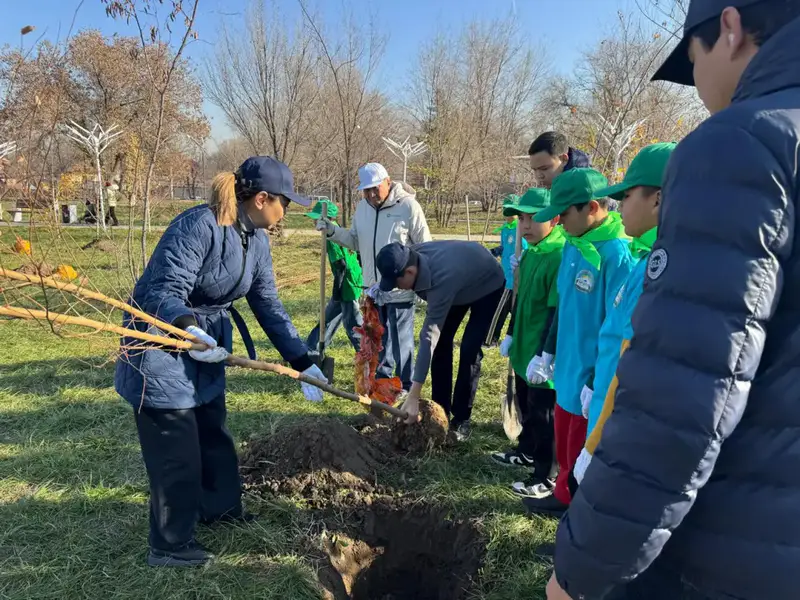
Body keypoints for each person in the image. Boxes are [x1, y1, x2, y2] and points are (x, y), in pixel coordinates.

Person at [548, 1, 800, 599]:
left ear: (731, 29)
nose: (701, 90)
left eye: (693, 59)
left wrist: (582, 565)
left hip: (730, 551)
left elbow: (682, 397)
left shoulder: (742, 144)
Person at [114, 156, 327, 568]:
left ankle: (221, 509)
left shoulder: (257, 239)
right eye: (285, 202)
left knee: (213, 432)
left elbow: (267, 304)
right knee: (176, 448)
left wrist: (303, 360)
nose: (287, 211)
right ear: (262, 198)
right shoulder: (199, 226)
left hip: (206, 345)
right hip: (161, 342)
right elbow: (159, 289)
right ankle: (170, 544)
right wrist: (189, 328)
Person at [523, 168, 634, 517]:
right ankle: (562, 494)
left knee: (585, 447)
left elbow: (616, 327)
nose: (559, 220)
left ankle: (578, 512)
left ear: (591, 207)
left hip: (592, 376)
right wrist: (547, 350)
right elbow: (563, 304)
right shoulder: (572, 245)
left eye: (565, 213)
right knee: (566, 440)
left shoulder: (616, 254)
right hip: (567, 369)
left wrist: (591, 381)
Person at [572, 143, 676, 486]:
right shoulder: (646, 258)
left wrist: (595, 442)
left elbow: (635, 359)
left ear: (658, 199)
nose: (618, 206)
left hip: (616, 431)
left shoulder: (660, 270)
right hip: (605, 410)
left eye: (627, 195)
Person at [317, 163, 431, 391]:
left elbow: (425, 247)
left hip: (401, 290)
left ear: (388, 182)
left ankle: (406, 387)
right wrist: (332, 231)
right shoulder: (362, 208)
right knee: (380, 343)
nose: (370, 195)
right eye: (365, 190)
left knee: (402, 344)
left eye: (374, 189)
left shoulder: (408, 207)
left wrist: (423, 284)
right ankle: (383, 385)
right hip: (373, 290)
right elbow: (355, 241)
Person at [375, 240, 505, 441]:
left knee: (469, 350)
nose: (395, 288)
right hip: (461, 279)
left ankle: (461, 418)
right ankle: (440, 411)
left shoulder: (441, 279)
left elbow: (428, 338)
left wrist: (413, 396)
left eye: (396, 283)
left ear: (409, 272)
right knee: (441, 345)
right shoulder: (410, 255)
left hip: (488, 284)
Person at [490, 188, 564, 502]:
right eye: (522, 218)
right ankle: (526, 451)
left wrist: (543, 355)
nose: (526, 224)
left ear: (555, 218)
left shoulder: (557, 255)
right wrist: (509, 332)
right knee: (526, 407)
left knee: (544, 414)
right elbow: (519, 300)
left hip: (542, 357)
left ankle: (546, 475)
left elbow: (553, 311)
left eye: (534, 217)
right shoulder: (532, 251)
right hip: (523, 349)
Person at [304, 198, 364, 354]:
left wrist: (337, 290)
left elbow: (341, 265)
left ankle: (367, 355)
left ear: (326, 219)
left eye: (316, 218)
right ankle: (312, 348)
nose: (313, 221)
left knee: (353, 325)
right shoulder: (334, 229)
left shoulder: (331, 236)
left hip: (348, 284)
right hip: (345, 281)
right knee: (327, 318)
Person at [486, 195, 529, 346]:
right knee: (509, 309)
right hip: (505, 275)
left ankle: (490, 339)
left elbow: (527, 249)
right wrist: (495, 251)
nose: (508, 214)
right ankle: (502, 337)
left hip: (514, 279)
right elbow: (505, 247)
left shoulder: (521, 228)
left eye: (511, 211)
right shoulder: (505, 230)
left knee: (500, 311)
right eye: (505, 209)